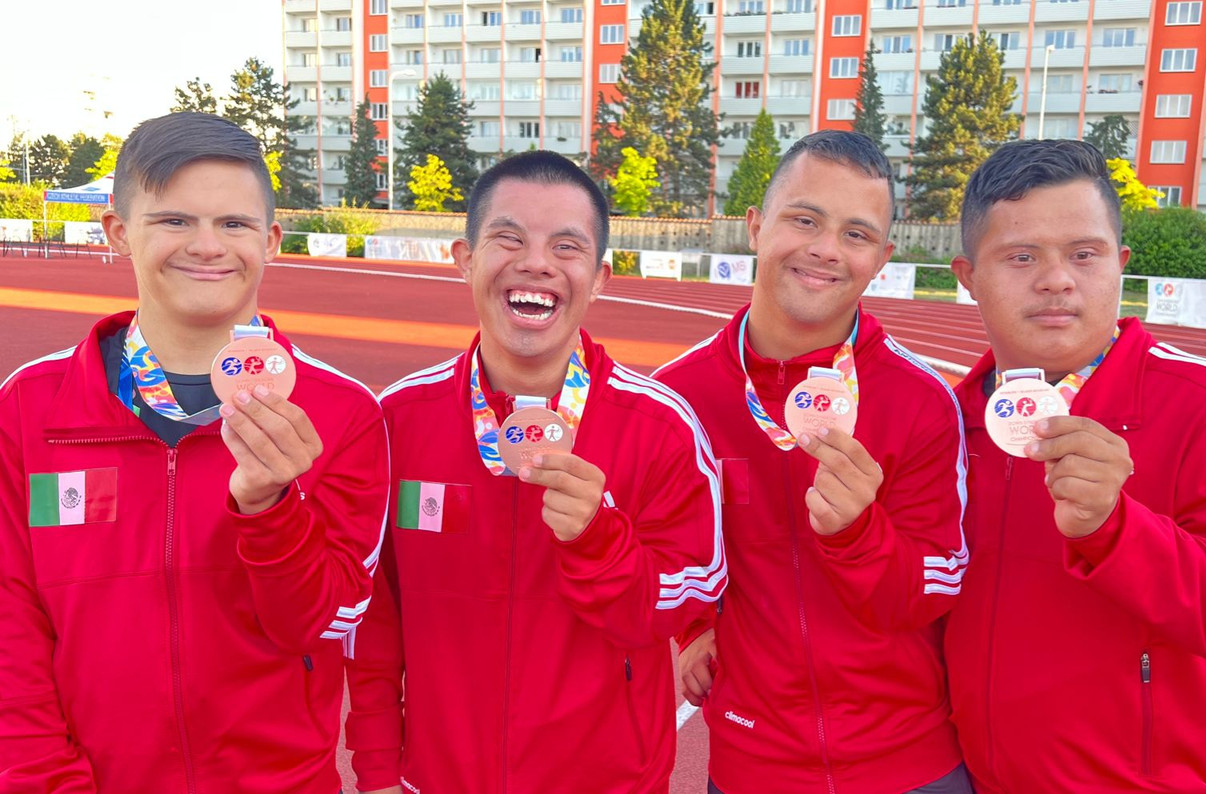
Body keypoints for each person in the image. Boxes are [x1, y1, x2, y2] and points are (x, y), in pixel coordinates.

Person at [0, 112, 389, 792]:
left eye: (234, 224)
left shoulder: (342, 413)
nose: (208, 246)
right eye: (174, 221)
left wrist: (271, 510)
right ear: (119, 233)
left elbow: (322, 623)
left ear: (270, 239)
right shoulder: (31, 408)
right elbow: (10, 630)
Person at [344, 150, 725, 794]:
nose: (536, 263)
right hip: (438, 780)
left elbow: (684, 603)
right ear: (464, 259)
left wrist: (600, 542)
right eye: (509, 238)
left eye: (566, 246)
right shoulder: (397, 422)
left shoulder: (663, 428)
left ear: (600, 276)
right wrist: (379, 768)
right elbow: (374, 620)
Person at [945, 138, 1206, 792]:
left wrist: (1116, 532)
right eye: (1021, 257)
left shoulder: (1203, 404)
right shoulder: (948, 422)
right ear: (968, 278)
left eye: (1084, 254)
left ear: (1119, 264)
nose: (1057, 279)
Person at [655, 130, 970, 793]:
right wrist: (690, 629)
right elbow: (666, 556)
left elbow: (934, 591)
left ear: (881, 258)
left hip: (909, 765)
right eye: (805, 220)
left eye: (856, 234)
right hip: (752, 762)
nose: (826, 249)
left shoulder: (923, 401)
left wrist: (859, 535)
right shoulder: (675, 400)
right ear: (755, 226)